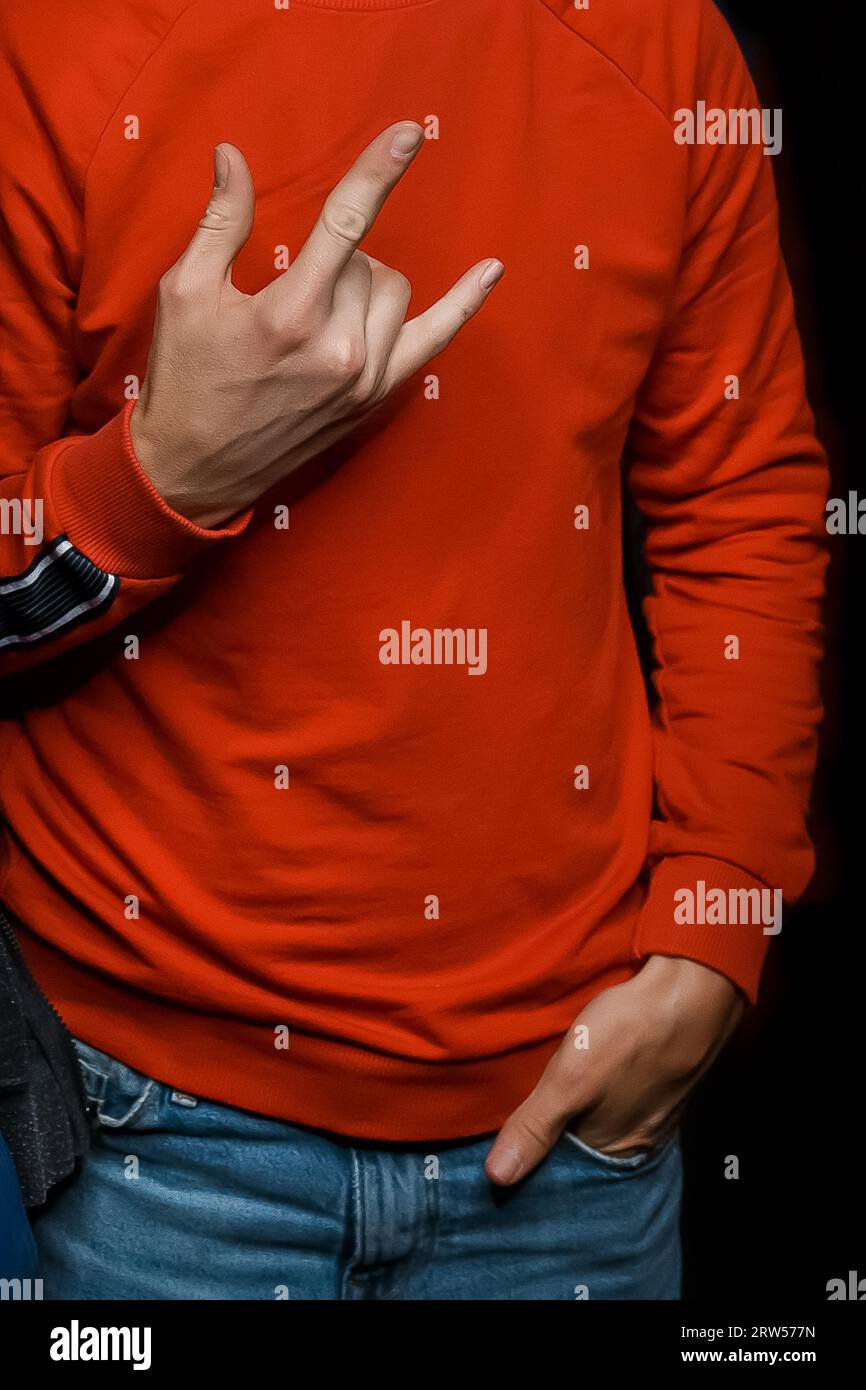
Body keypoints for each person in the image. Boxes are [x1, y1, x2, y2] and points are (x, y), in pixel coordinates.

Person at [0, 0, 827, 1300]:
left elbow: (742, 503)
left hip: (570, 1131)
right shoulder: (50, 41)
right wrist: (156, 474)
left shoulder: (663, 42)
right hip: (142, 1129)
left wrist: (719, 918)